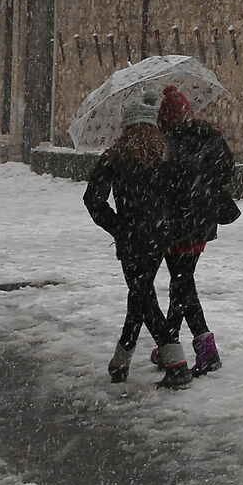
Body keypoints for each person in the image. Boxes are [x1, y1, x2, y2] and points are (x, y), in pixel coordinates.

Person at [84, 121, 190, 387]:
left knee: (143, 297)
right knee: (140, 295)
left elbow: (93, 199)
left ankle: (176, 363)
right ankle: (120, 362)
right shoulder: (167, 157)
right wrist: (167, 223)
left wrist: (117, 226)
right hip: (159, 237)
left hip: (132, 239)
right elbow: (180, 197)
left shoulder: (114, 157)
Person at [156, 85, 239, 377]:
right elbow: (227, 171)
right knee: (182, 282)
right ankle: (169, 340)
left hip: (175, 224)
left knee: (182, 284)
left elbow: (161, 184)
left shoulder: (163, 144)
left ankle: (206, 349)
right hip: (202, 222)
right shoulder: (210, 136)